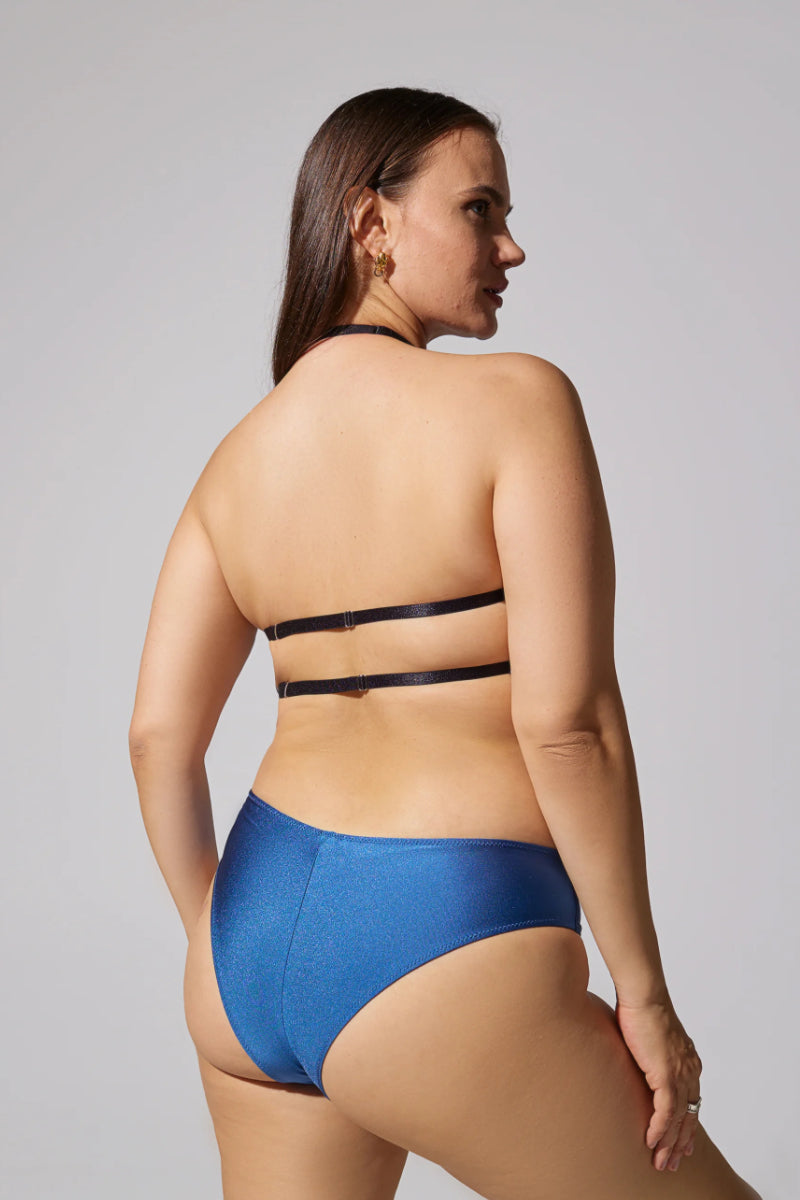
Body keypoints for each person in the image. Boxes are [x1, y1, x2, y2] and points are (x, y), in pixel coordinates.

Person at [128, 86, 763, 1199]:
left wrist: (218, 945)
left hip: (248, 945)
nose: (511, 247)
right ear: (370, 222)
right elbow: (567, 728)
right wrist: (644, 995)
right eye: (480, 209)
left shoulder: (235, 461)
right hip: (441, 929)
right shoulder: (519, 403)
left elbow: (155, 741)